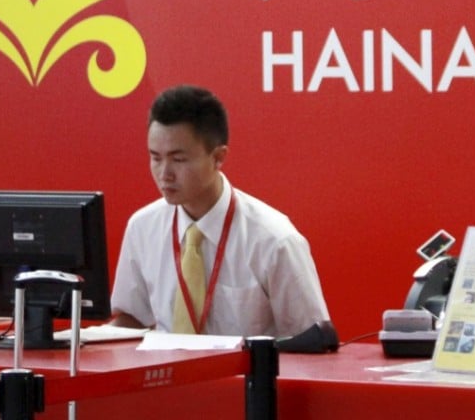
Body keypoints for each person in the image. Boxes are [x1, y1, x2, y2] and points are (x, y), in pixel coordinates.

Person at [110, 85, 331, 337]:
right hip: (165, 375)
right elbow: (132, 320)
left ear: (218, 157)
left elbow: (311, 340)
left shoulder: (274, 240)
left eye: (178, 159)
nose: (164, 173)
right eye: (156, 158)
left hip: (247, 376)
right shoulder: (142, 227)